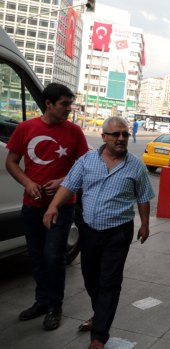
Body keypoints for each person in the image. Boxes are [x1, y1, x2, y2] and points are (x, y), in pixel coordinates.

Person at [43, 116, 154, 349]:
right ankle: (99, 315)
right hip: (90, 231)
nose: (121, 138)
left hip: (118, 232)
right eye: (116, 134)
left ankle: (99, 337)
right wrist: (53, 207)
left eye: (124, 134)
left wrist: (145, 224)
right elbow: (69, 185)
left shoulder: (136, 165)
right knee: (91, 279)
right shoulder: (86, 161)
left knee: (110, 283)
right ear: (104, 137)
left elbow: (143, 197)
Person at [5, 83, 89, 331]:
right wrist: (27, 182)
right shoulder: (26, 128)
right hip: (31, 206)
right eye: (64, 104)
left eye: (70, 104)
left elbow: (85, 167)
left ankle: (55, 306)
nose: (69, 109)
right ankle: (41, 301)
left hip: (62, 206)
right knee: (37, 256)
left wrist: (63, 181)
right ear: (49, 104)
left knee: (54, 256)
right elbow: (11, 162)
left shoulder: (75, 132)